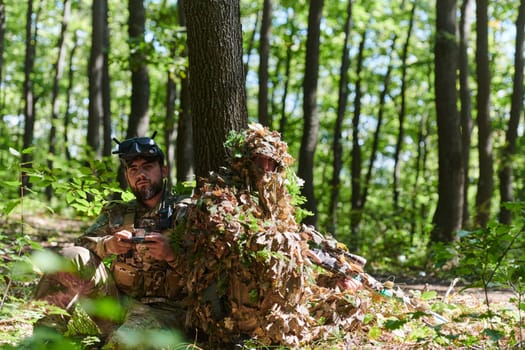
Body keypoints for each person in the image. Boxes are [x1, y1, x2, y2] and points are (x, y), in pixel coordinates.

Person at [174, 123, 368, 348]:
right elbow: (240, 241)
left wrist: (335, 273)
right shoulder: (219, 195)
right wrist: (295, 245)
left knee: (349, 299)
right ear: (244, 161)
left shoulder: (277, 203)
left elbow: (295, 251)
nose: (266, 168)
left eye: (272, 163)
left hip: (273, 301)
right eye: (259, 160)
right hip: (229, 307)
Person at [33, 134, 188, 348]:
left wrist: (171, 254)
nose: (140, 174)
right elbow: (79, 245)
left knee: (123, 343)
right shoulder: (118, 213)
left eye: (147, 166)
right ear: (127, 175)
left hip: (167, 314)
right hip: (117, 306)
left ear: (163, 171)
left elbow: (211, 274)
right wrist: (107, 245)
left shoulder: (186, 213)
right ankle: (44, 340)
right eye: (133, 169)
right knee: (71, 256)